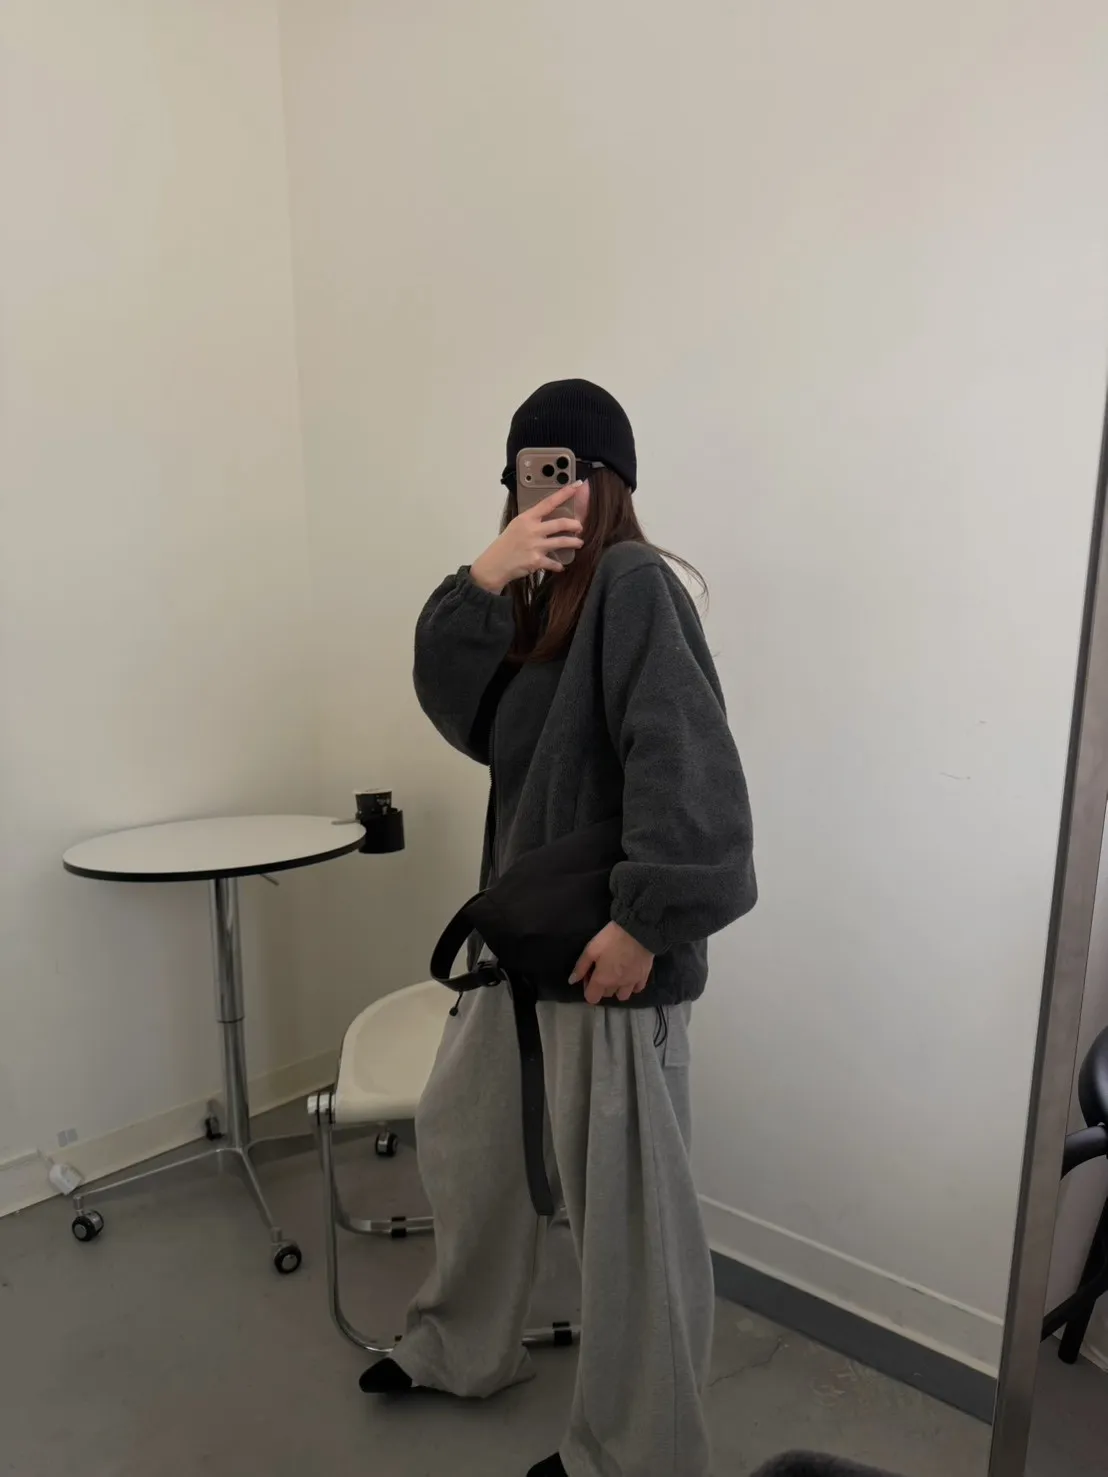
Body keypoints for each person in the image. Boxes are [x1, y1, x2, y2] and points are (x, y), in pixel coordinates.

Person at [360, 379, 756, 1477]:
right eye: (528, 472)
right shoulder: (535, 612)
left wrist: (644, 924)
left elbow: (691, 771)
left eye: (568, 470)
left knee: (631, 1221)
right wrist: (481, 583)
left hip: (609, 954)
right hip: (523, 945)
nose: (547, 490)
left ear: (609, 481)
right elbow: (464, 718)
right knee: (469, 1142)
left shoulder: (635, 584)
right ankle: (460, 1346)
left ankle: (636, 1453)